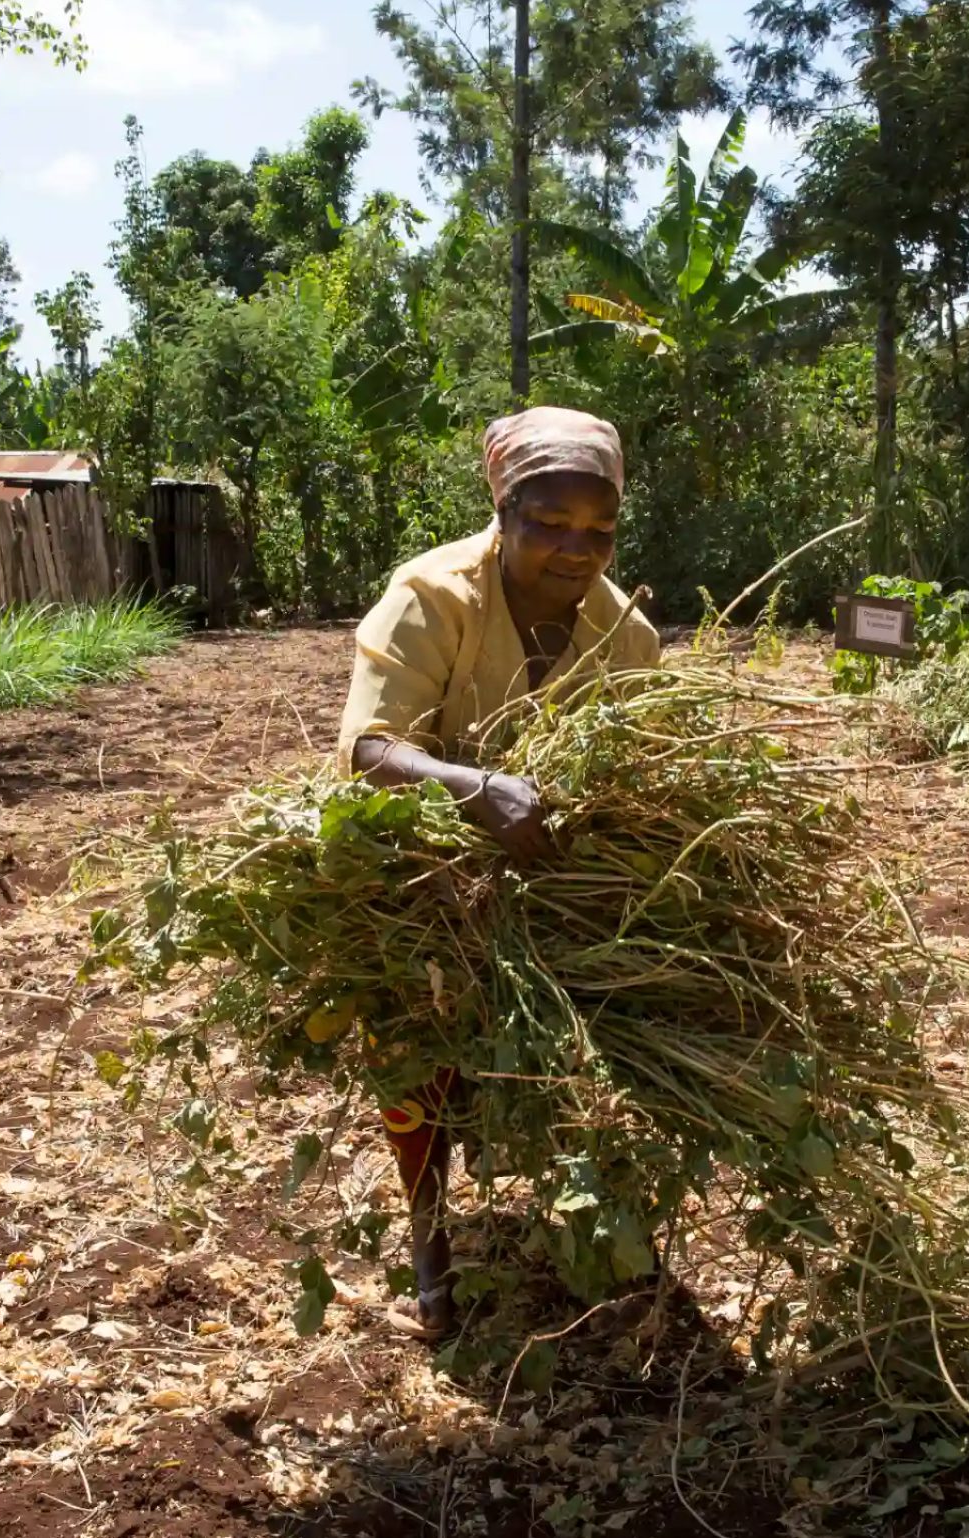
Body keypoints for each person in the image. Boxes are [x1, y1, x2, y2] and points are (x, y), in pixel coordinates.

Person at [334, 405, 662, 1336]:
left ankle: (605, 1236)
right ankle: (430, 1247)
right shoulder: (432, 596)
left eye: (598, 531)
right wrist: (474, 787)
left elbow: (653, 753)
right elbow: (368, 747)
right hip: (424, 862)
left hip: (562, 873)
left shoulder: (622, 631)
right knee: (416, 1038)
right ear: (504, 512)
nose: (577, 549)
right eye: (549, 523)